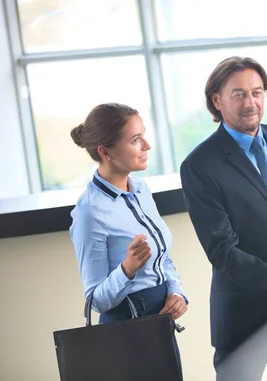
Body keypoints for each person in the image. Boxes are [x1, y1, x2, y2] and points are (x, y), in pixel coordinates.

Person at [180, 56, 267, 381]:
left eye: (257, 92)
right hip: (242, 318)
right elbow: (222, 250)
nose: (250, 103)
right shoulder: (199, 165)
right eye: (239, 95)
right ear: (216, 101)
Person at [69, 103, 188, 325]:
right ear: (106, 152)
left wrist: (176, 291)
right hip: (126, 332)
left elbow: (161, 257)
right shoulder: (89, 212)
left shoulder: (141, 190)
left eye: (144, 135)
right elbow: (95, 301)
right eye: (135, 140)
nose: (147, 145)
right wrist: (127, 269)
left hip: (161, 322)